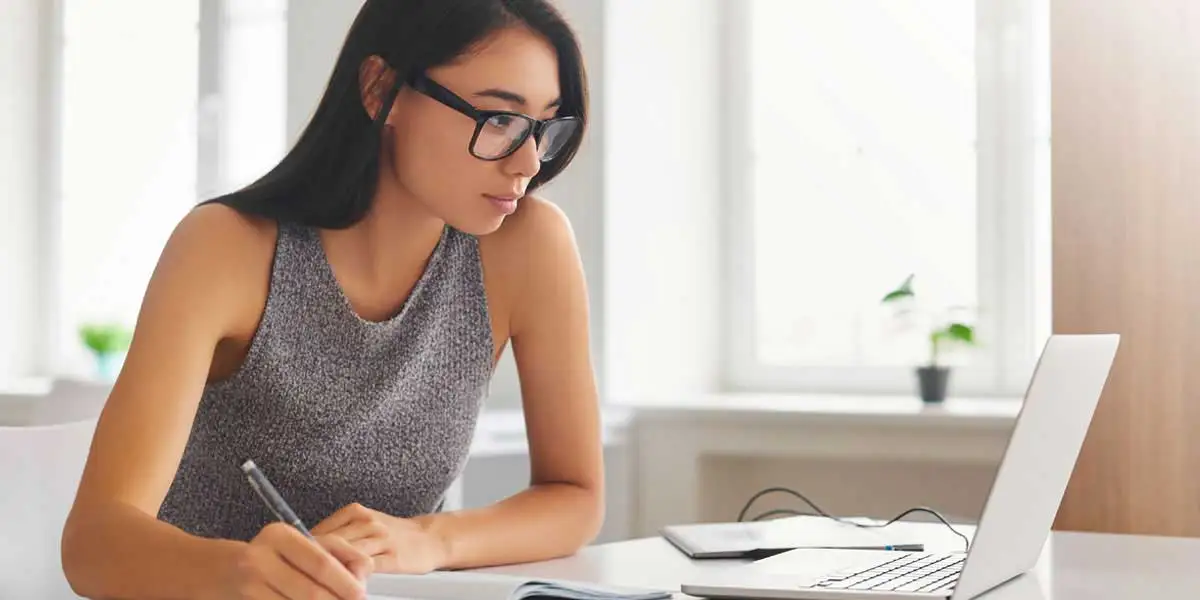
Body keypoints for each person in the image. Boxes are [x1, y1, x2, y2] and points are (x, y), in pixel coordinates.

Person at [60, 1, 602, 598]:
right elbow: (93, 542)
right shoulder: (225, 248)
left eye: (545, 126)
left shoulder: (528, 245)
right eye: (499, 119)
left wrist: (431, 540)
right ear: (381, 88)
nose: (528, 162)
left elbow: (575, 498)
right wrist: (239, 571)